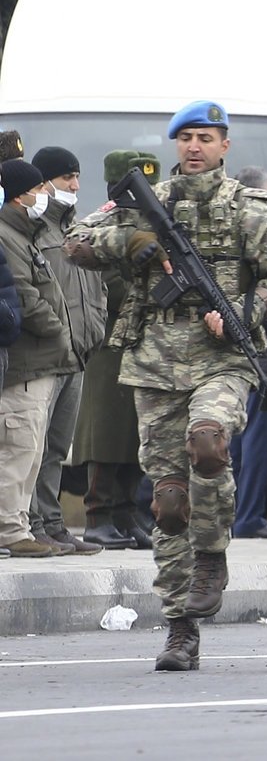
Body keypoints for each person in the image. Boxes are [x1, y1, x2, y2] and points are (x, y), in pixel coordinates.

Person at [67, 101, 267, 671]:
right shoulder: (147, 201)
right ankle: (179, 625)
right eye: (186, 138)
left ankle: (212, 555)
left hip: (223, 356)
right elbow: (75, 241)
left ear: (225, 146)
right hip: (154, 360)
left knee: (209, 443)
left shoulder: (250, 207)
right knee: (169, 499)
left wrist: (246, 312)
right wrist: (130, 243)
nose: (195, 147)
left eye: (207, 138)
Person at [74, 150, 161, 551]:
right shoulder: (99, 227)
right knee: (107, 434)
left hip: (144, 345)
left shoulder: (153, 224)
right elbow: (109, 285)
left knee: (133, 436)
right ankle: (98, 516)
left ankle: (126, 514)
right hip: (110, 344)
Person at [24, 146, 105, 554]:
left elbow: (96, 287)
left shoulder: (75, 231)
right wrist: (59, 336)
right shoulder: (36, 231)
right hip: (47, 357)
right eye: (65, 179)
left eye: (76, 178)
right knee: (34, 447)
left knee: (57, 447)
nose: (74, 186)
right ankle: (33, 524)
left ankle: (53, 523)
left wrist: (96, 331)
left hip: (78, 356)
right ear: (43, 183)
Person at [0, 157, 73, 558]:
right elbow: (25, 299)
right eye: (38, 188)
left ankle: (20, 526)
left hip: (42, 361)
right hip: (26, 361)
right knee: (18, 445)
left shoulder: (25, 233)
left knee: (31, 448)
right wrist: (61, 330)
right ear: (19, 195)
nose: (45, 194)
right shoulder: (7, 235)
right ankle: (10, 529)